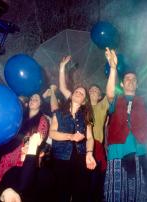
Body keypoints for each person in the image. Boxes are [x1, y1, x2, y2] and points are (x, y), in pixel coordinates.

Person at [103, 47, 147, 202]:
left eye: (134, 80)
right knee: (116, 194)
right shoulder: (117, 99)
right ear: (122, 83)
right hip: (118, 151)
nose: (131, 81)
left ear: (137, 85)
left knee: (136, 195)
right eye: (127, 79)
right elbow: (109, 93)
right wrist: (113, 68)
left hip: (140, 151)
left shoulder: (143, 100)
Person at [59, 56, 109, 202]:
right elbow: (63, 89)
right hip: (75, 147)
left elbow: (111, 92)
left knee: (90, 185)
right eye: (91, 89)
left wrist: (112, 69)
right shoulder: (81, 105)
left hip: (95, 147)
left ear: (100, 96)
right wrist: (62, 68)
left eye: (96, 90)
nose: (92, 90)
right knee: (70, 184)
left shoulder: (102, 106)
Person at [49, 57, 97, 202]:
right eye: (77, 91)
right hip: (60, 158)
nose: (79, 93)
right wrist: (62, 67)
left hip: (81, 159)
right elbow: (52, 133)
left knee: (80, 193)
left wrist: (89, 153)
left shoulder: (86, 115)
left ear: (84, 101)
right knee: (61, 194)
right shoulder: (59, 113)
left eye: (82, 93)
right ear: (71, 95)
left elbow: (90, 138)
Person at [0, 93, 49, 185]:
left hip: (21, 156)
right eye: (31, 98)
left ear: (40, 104)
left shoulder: (42, 120)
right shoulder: (21, 115)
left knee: (11, 183)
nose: (32, 100)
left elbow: (37, 141)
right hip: (8, 151)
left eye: (36, 99)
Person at [0, 132, 55, 202]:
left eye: (27, 147)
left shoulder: (46, 175)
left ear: (41, 153)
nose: (22, 149)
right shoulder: (13, 170)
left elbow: (23, 186)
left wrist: (33, 145)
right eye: (23, 146)